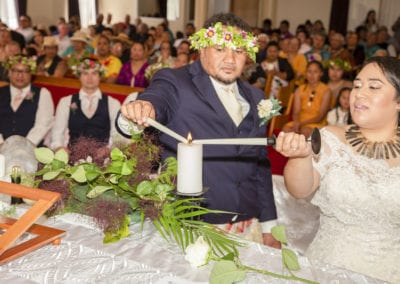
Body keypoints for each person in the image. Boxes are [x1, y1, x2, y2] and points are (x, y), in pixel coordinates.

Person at [116, 13, 279, 247]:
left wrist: (269, 226)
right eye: (221, 48)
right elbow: (156, 99)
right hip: (192, 230)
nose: (230, 59)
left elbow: (260, 164)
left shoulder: (257, 97)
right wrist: (142, 109)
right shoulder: (175, 82)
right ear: (202, 48)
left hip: (248, 227)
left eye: (238, 51)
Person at [275, 56, 400, 283]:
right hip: (328, 269)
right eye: (357, 85)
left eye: (373, 87)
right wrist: (301, 157)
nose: (359, 93)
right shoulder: (330, 137)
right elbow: (299, 190)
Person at [50, 58, 122, 151]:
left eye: (94, 73)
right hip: (72, 157)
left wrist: (109, 149)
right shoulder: (65, 101)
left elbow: (117, 135)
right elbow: (57, 132)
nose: (90, 78)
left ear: (100, 76)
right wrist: (59, 147)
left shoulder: (113, 103)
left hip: (103, 159)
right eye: (85, 73)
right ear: (79, 76)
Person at [0, 55, 54, 145]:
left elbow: (42, 125)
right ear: (9, 72)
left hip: (32, 148)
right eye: (15, 70)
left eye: (25, 71)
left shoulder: (43, 94)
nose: (20, 75)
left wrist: (24, 146)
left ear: (31, 74)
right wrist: (2, 145)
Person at [282, 60, 331, 138]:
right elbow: (296, 112)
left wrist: (301, 124)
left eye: (315, 72)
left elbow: (320, 117)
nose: (312, 75)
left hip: (317, 122)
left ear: (321, 73)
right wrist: (296, 122)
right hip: (300, 121)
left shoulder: (326, 90)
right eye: (309, 71)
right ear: (305, 73)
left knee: (305, 131)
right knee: (286, 129)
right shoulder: (299, 89)